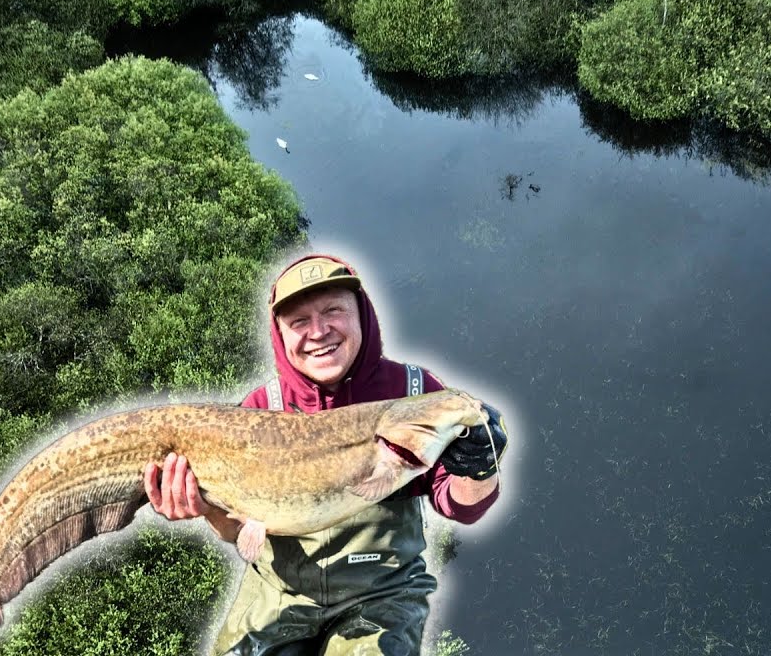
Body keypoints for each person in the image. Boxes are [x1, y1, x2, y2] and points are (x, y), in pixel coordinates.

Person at [142, 253, 507, 655]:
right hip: (281, 591)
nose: (318, 331)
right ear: (280, 335)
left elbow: (462, 508)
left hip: (384, 594)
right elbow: (236, 531)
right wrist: (204, 507)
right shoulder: (259, 410)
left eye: (333, 311)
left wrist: (480, 466)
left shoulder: (416, 393)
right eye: (299, 321)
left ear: (362, 315)